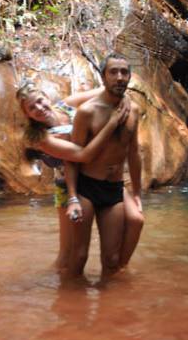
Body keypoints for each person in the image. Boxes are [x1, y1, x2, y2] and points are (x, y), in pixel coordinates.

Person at [17, 81, 144, 272]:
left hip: (100, 176)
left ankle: (120, 269)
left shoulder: (67, 105)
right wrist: (111, 123)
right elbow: (83, 155)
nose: (39, 108)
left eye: (40, 101)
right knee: (68, 253)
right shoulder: (41, 136)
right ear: (27, 114)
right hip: (69, 187)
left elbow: (106, 90)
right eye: (32, 108)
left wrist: (123, 99)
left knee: (135, 219)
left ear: (47, 97)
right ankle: (55, 288)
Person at [64, 53, 142, 278]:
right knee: (79, 257)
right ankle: (70, 307)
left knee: (111, 260)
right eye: (113, 72)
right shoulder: (87, 112)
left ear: (130, 77)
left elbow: (134, 153)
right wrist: (72, 197)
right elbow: (72, 157)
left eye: (124, 72)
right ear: (103, 77)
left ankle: (110, 311)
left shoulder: (133, 111)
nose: (119, 77)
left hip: (113, 189)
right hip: (87, 188)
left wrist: (136, 192)